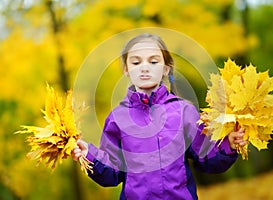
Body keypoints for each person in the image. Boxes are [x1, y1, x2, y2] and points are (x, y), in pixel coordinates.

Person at [72, 33, 246, 200]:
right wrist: (89, 155)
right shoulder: (117, 118)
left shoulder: (184, 111)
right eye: (136, 62)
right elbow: (112, 173)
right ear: (126, 70)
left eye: (153, 61)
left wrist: (228, 144)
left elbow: (208, 158)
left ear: (165, 68)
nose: (145, 67)